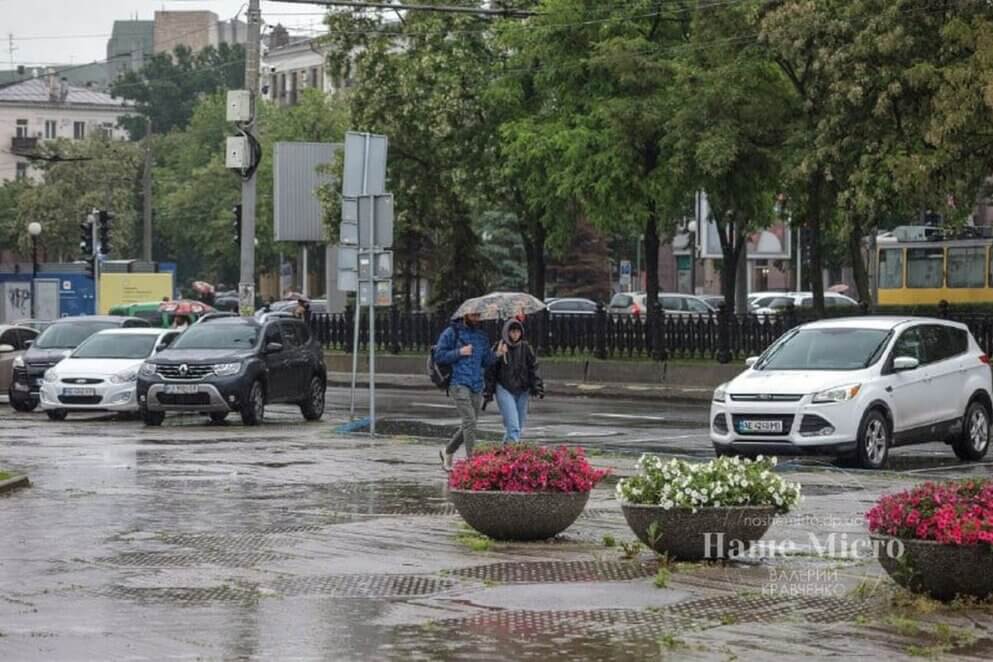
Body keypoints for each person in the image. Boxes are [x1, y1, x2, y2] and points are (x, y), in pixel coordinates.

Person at [434, 312, 506, 470]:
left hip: (476, 385)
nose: (476, 319)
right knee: (470, 422)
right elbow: (439, 356)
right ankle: (473, 463)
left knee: (469, 424)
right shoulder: (452, 332)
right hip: (458, 383)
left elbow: (486, 361)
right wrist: (459, 352)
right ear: (465, 315)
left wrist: (498, 353)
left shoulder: (482, 336)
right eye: (473, 315)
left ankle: (447, 451)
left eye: (478, 316)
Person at [484, 319, 544, 443]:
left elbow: (534, 368)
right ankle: (512, 456)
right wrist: (488, 392)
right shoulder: (499, 346)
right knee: (513, 427)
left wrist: (537, 387)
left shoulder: (526, 348)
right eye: (512, 331)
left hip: (522, 390)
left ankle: (502, 456)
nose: (515, 334)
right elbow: (490, 371)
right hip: (505, 388)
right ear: (507, 332)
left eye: (517, 331)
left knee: (518, 427)